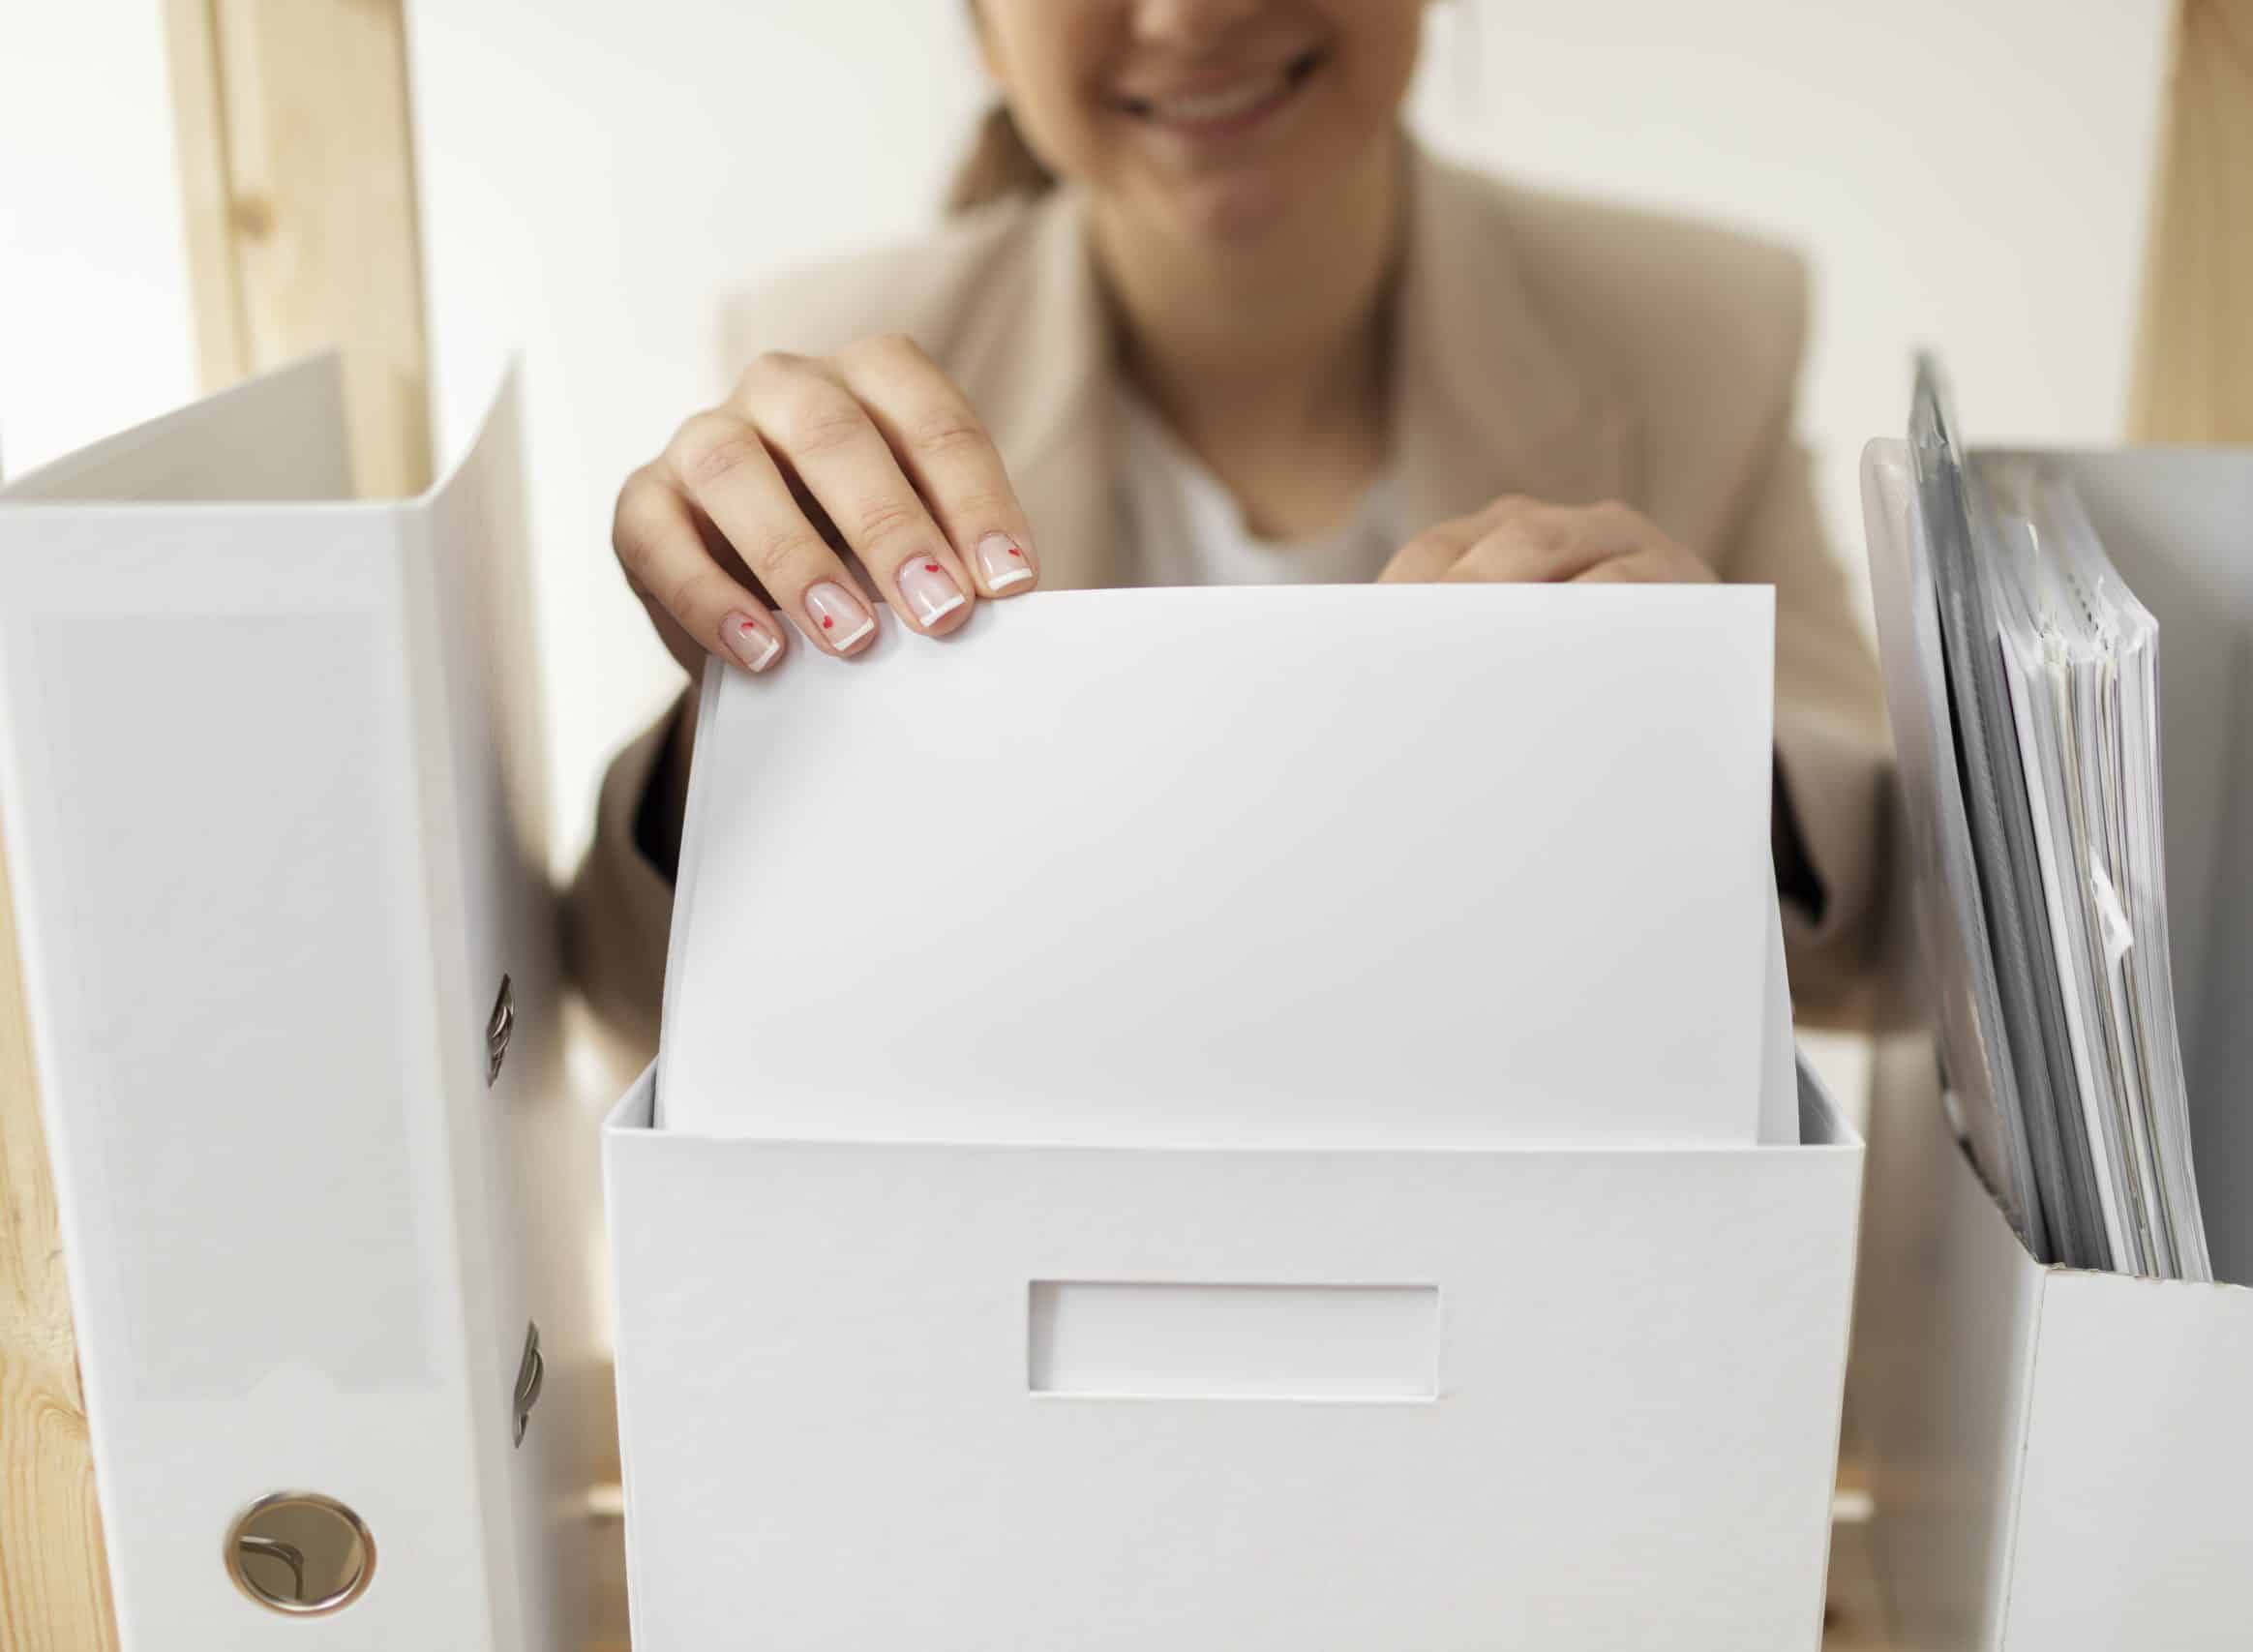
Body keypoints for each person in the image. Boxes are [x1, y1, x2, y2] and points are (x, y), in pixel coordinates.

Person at [569, 0, 1892, 1058]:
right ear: (979, 27)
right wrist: (736, 728)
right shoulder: (817, 374)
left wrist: (1709, 752)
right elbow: (631, 1008)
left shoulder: (1703, 330)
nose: (1194, 17)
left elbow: (1887, 943)